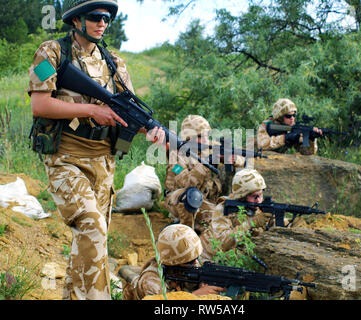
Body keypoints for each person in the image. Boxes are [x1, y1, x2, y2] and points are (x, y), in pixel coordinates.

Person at [28, 0, 165, 300]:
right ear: (76, 20)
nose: (102, 23)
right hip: (65, 156)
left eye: (106, 18)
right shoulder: (50, 52)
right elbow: (39, 104)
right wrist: (91, 109)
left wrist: (152, 130)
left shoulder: (115, 63)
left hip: (103, 161)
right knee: (93, 226)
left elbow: (128, 112)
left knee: (92, 241)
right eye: (95, 17)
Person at [163, 114, 244, 233]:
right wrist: (207, 163)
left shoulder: (209, 146)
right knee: (192, 196)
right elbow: (186, 183)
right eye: (200, 136)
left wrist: (234, 160)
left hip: (206, 199)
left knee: (227, 215)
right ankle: (186, 231)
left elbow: (239, 156)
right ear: (188, 138)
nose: (205, 140)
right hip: (180, 200)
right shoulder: (176, 155)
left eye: (207, 135)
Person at [120, 224, 226, 300]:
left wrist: (201, 285)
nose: (195, 263)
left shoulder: (186, 266)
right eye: (190, 262)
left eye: (196, 258)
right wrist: (195, 296)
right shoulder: (150, 282)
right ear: (173, 263)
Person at [199, 168, 272, 261]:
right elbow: (222, 243)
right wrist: (251, 223)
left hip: (236, 258)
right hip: (210, 259)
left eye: (260, 195)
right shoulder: (223, 209)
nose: (258, 200)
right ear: (242, 197)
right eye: (255, 196)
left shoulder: (255, 207)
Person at [256, 98, 322, 155]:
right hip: (253, 156)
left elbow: (306, 152)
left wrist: (311, 140)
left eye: (294, 115)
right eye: (288, 116)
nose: (292, 118)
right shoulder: (267, 125)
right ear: (280, 117)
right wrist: (285, 138)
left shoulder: (293, 128)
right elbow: (262, 145)